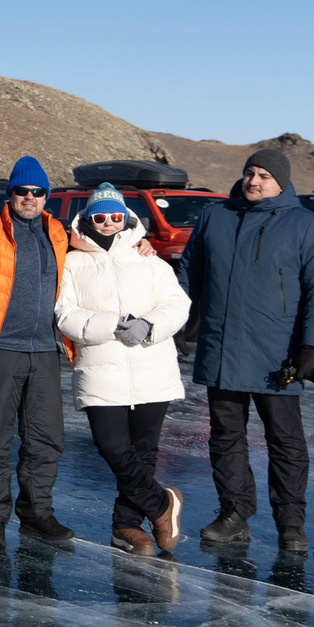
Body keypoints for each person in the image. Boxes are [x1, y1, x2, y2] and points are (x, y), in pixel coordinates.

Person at [182, 146, 314, 551]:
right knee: (225, 435)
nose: (254, 181)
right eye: (251, 172)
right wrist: (173, 324)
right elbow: (187, 277)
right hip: (222, 344)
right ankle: (234, 512)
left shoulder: (305, 224)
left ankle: (290, 522)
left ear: (281, 181)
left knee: (285, 439)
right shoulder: (216, 216)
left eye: (265, 175)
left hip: (277, 352)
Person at [53, 187, 191, 556]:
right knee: (112, 446)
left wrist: (149, 325)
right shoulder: (70, 263)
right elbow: (65, 315)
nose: (109, 223)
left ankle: (126, 526)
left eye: (116, 217)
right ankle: (162, 505)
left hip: (152, 365)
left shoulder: (150, 260)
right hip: (101, 368)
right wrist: (112, 324)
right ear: (87, 220)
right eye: (100, 217)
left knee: (143, 451)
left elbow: (178, 303)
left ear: (127, 219)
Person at [0, 155, 72, 548]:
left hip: (45, 349)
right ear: (9, 194)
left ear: (47, 196)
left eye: (37, 192)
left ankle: (36, 512)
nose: (29, 197)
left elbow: (96, 254)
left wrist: (140, 242)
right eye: (22, 191)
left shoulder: (58, 232)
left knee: (45, 438)